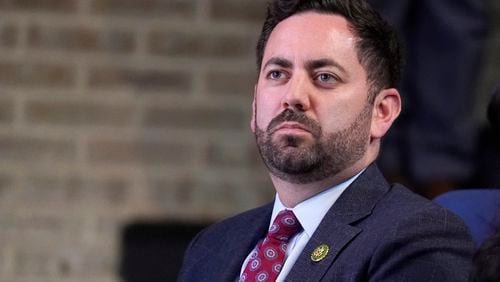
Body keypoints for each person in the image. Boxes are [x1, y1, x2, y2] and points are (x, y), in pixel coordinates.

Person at [179, 0, 474, 281]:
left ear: (381, 112)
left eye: (324, 77)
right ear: (255, 107)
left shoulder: (420, 238)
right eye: (278, 73)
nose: (293, 96)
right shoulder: (211, 246)